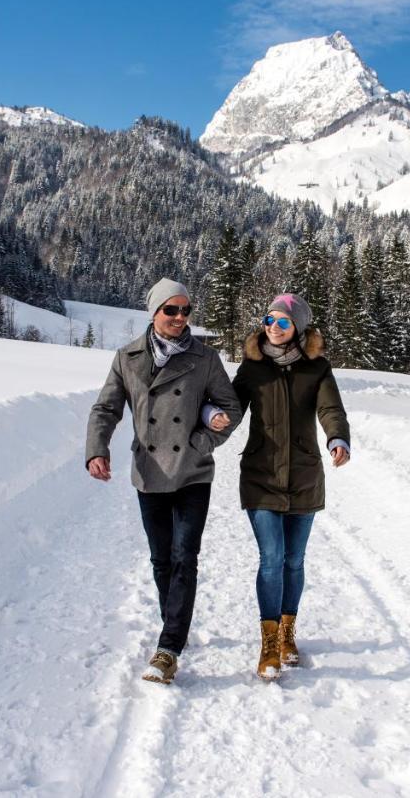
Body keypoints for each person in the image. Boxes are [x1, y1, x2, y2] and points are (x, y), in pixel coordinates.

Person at [86, 278, 242, 684]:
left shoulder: (205, 358)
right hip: (149, 471)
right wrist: (96, 449)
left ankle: (169, 645)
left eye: (185, 311)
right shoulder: (127, 357)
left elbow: (230, 406)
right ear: (153, 312)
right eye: (170, 310)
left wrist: (202, 441)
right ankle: (174, 622)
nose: (179, 317)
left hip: (192, 472)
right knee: (161, 560)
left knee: (184, 556)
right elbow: (106, 408)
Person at [206, 293, 350, 680]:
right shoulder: (253, 369)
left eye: (283, 322)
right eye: (270, 319)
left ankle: (288, 632)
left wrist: (338, 438)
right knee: (272, 558)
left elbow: (331, 409)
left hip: (304, 475)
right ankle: (268, 642)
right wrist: (215, 420)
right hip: (261, 475)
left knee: (294, 560)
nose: (273, 326)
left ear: (298, 327)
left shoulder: (317, 368)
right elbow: (232, 407)